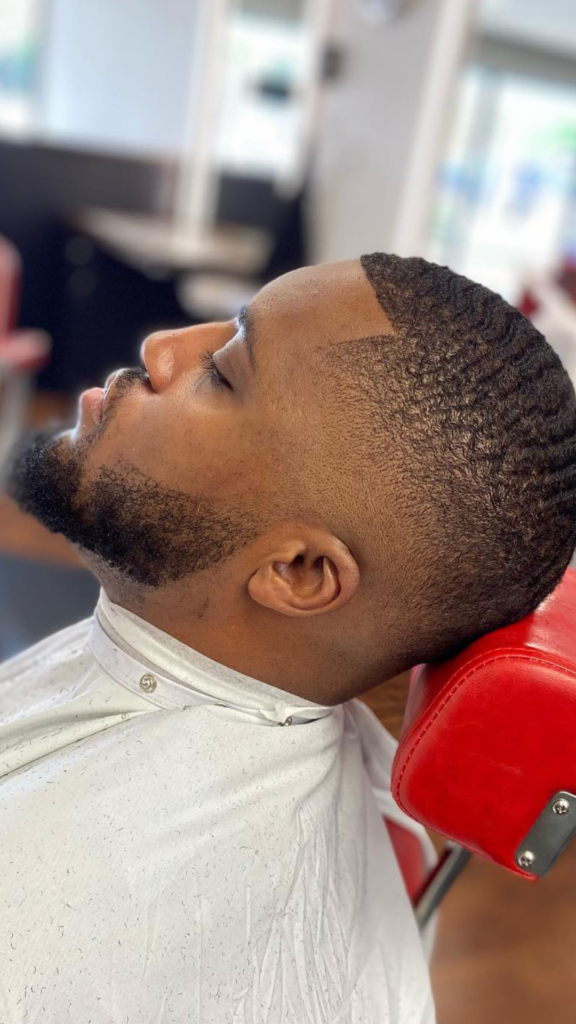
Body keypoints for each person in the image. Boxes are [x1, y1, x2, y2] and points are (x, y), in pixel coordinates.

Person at [2, 253, 576, 1023]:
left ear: (301, 573)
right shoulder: (191, 646)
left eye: (224, 374)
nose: (162, 348)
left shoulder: (50, 906)